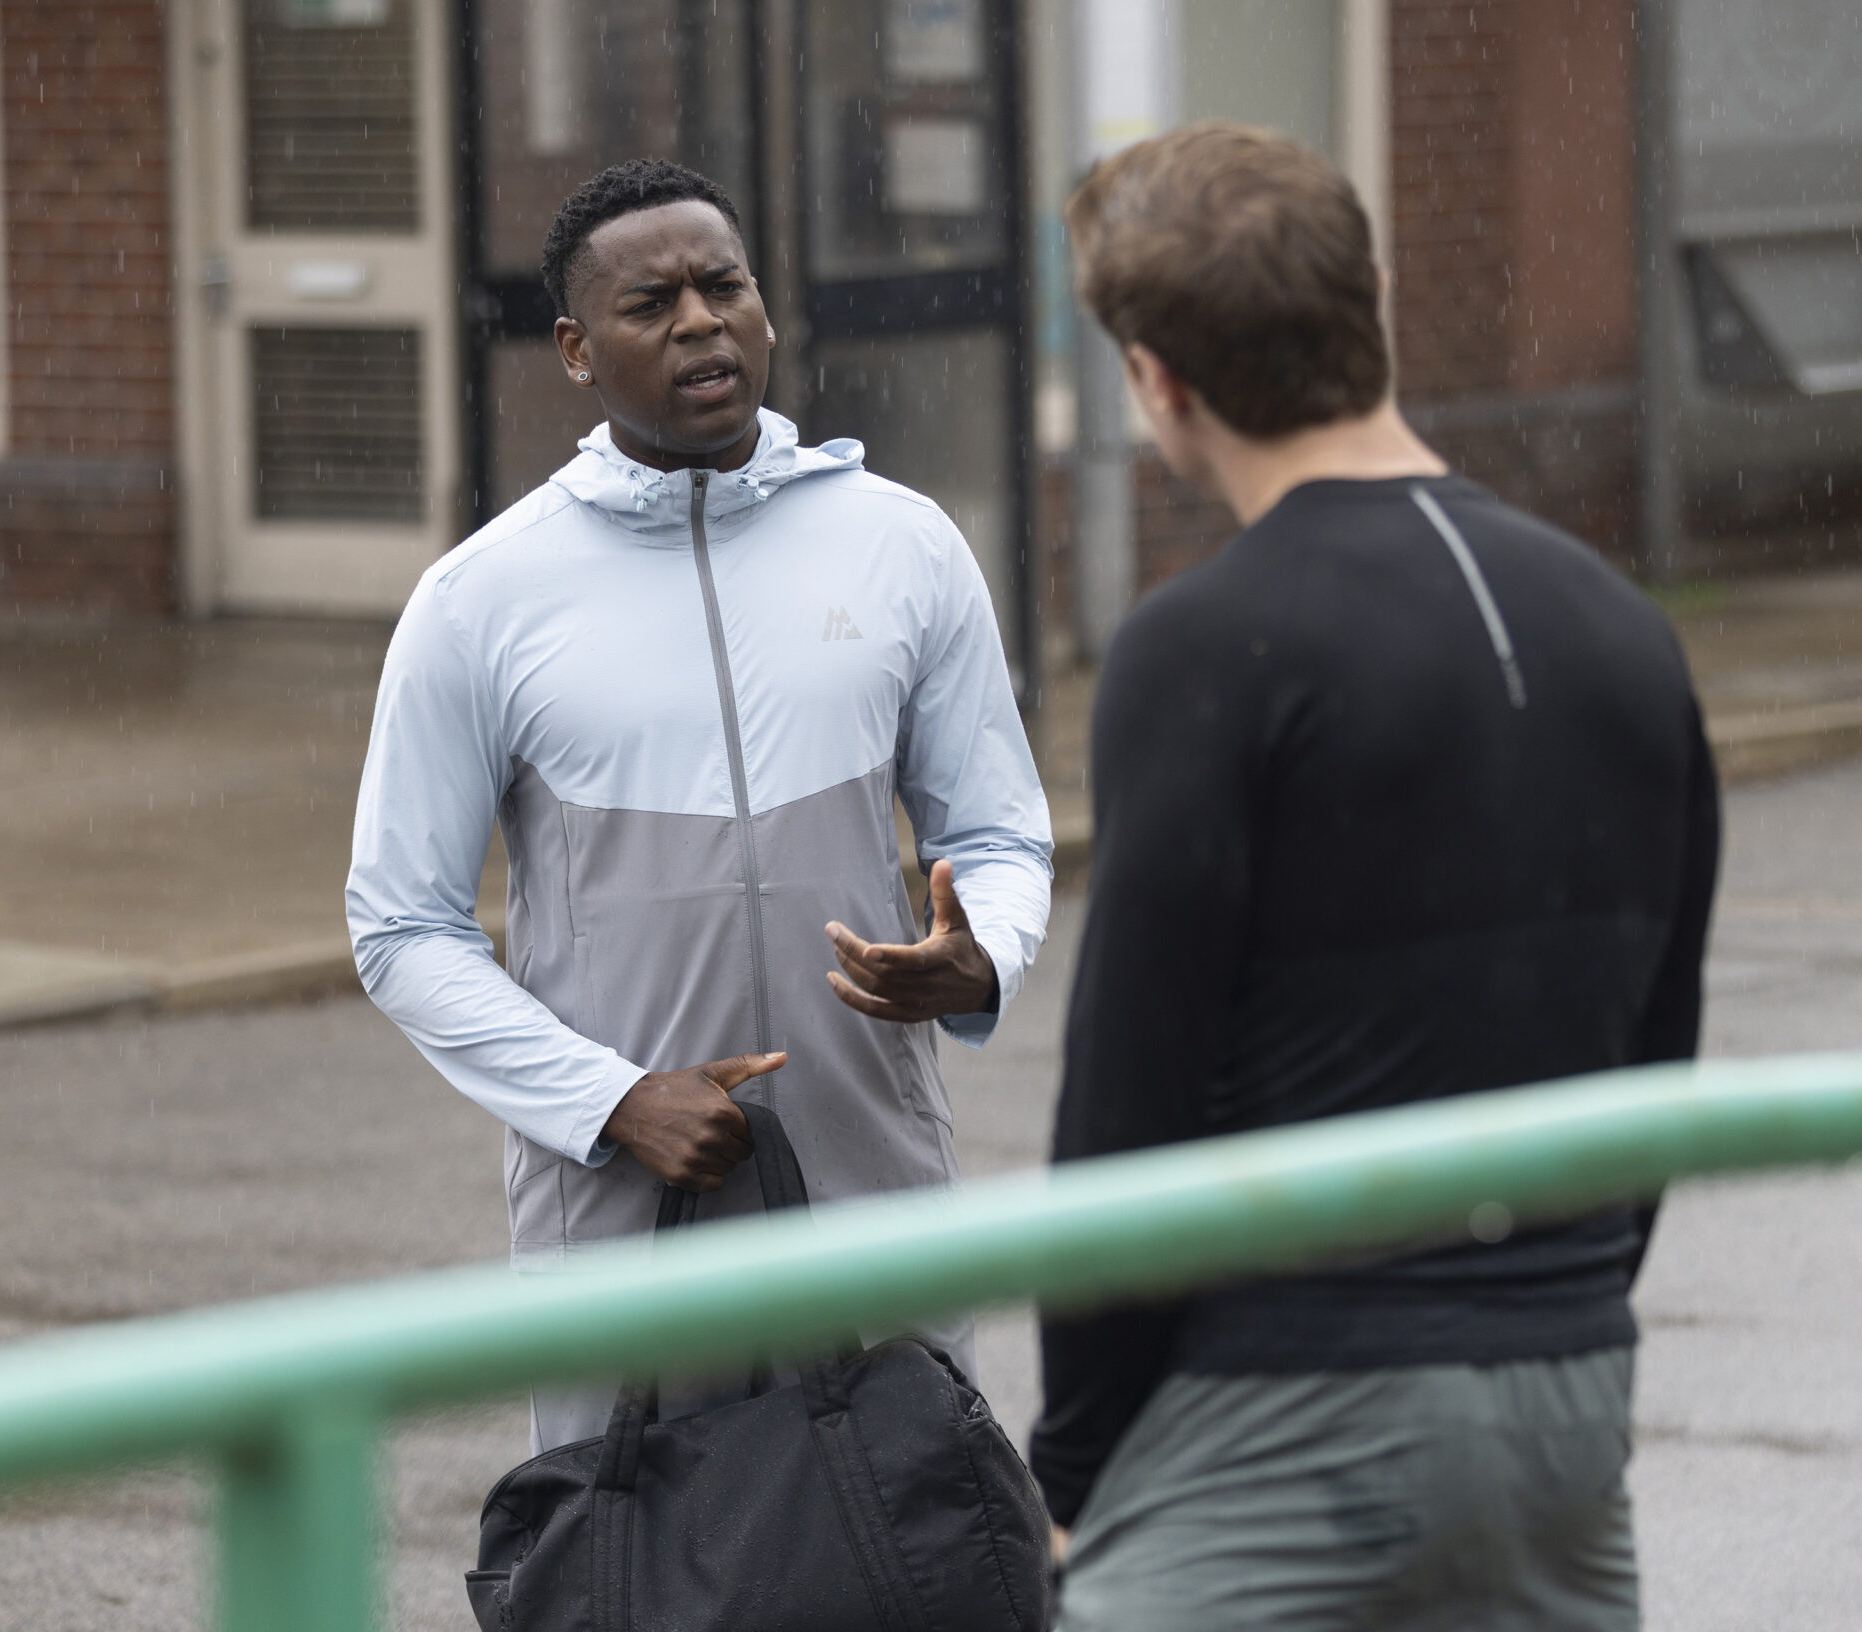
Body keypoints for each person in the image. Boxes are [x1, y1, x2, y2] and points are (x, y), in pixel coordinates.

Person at [1029, 124, 1721, 1631]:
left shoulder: (1203, 648)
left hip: (1279, 1392)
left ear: (1156, 381)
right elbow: (1659, 1052)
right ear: (1381, 299)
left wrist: (1073, 1466)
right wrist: (1561, 1306)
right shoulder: (1622, 626)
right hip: (1566, 1379)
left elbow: (1129, 1094)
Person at [347, 159, 1052, 1452]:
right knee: (644, 1577)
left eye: (723, 284)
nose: (698, 321)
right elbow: (399, 927)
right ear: (572, 348)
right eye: (649, 301)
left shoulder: (902, 545)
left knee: (908, 1564)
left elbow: (997, 834)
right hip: (623, 1219)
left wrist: (982, 953)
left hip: (877, 1195)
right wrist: (610, 1103)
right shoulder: (481, 598)